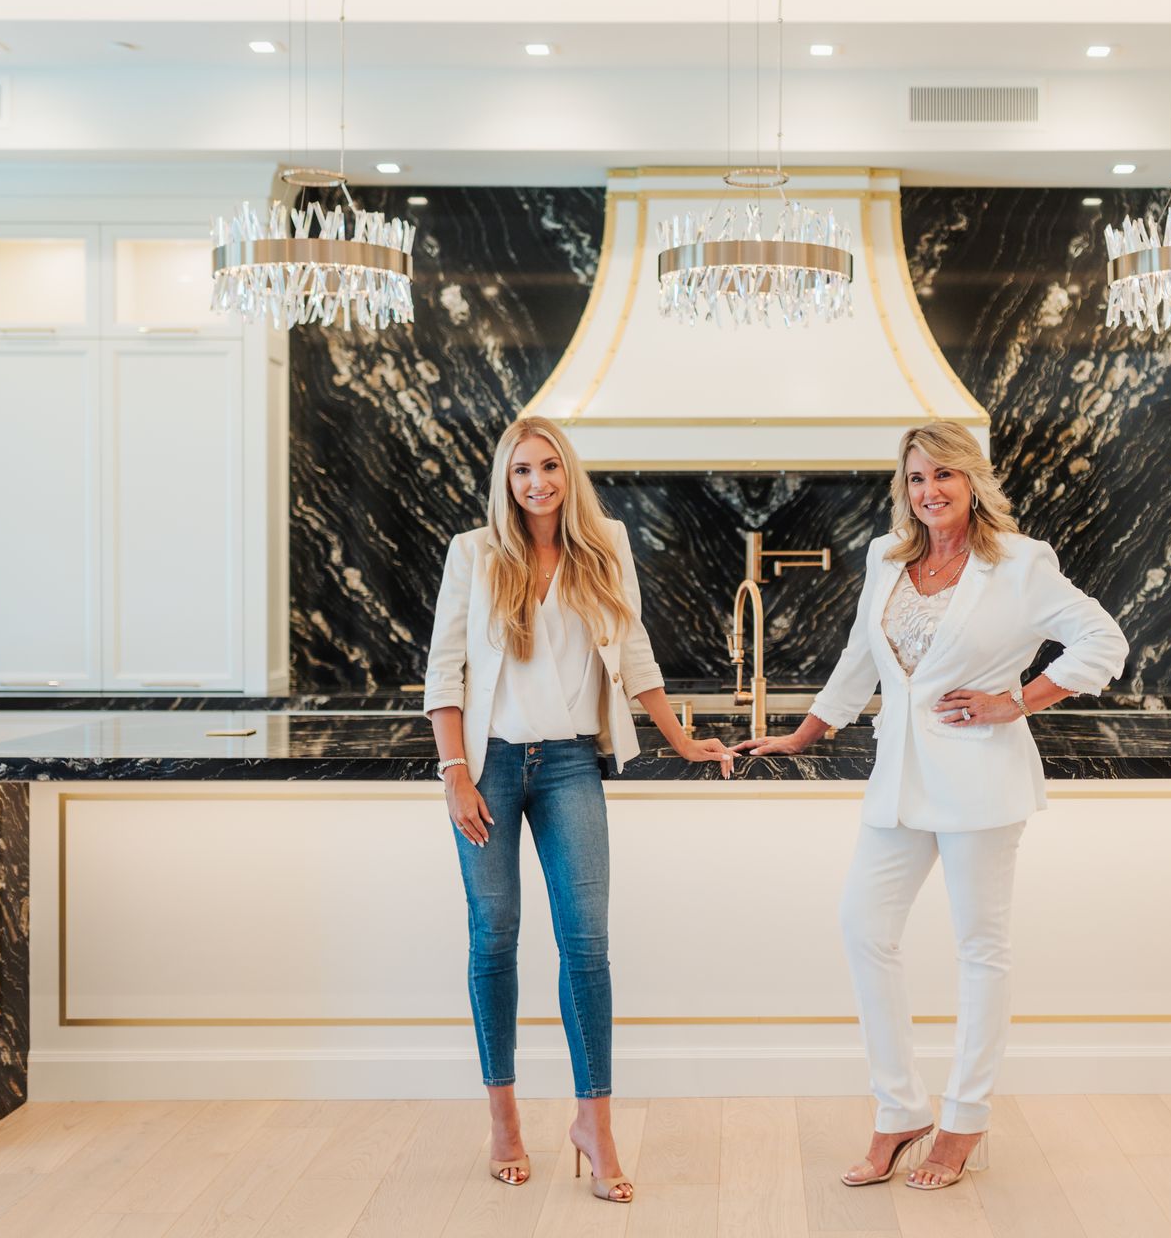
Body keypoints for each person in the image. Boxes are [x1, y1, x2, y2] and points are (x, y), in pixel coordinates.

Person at [737, 419, 1129, 1191]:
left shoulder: (1019, 563)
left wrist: (1016, 700)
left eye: (943, 476)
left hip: (982, 782)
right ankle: (899, 1109)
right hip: (899, 783)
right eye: (916, 479)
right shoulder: (888, 558)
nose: (929, 492)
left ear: (972, 481)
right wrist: (806, 731)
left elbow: (1102, 642)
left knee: (981, 952)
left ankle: (964, 1120)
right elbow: (859, 659)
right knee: (863, 928)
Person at [423, 416, 736, 1204]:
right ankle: (503, 1121)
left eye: (551, 466)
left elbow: (635, 658)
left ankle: (593, 1124)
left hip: (569, 765)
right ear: (506, 479)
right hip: (488, 768)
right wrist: (454, 771)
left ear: (570, 474)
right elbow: (445, 672)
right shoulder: (473, 553)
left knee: (586, 947)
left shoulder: (606, 546)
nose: (538, 482)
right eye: (523, 469)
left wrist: (685, 740)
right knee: (493, 937)